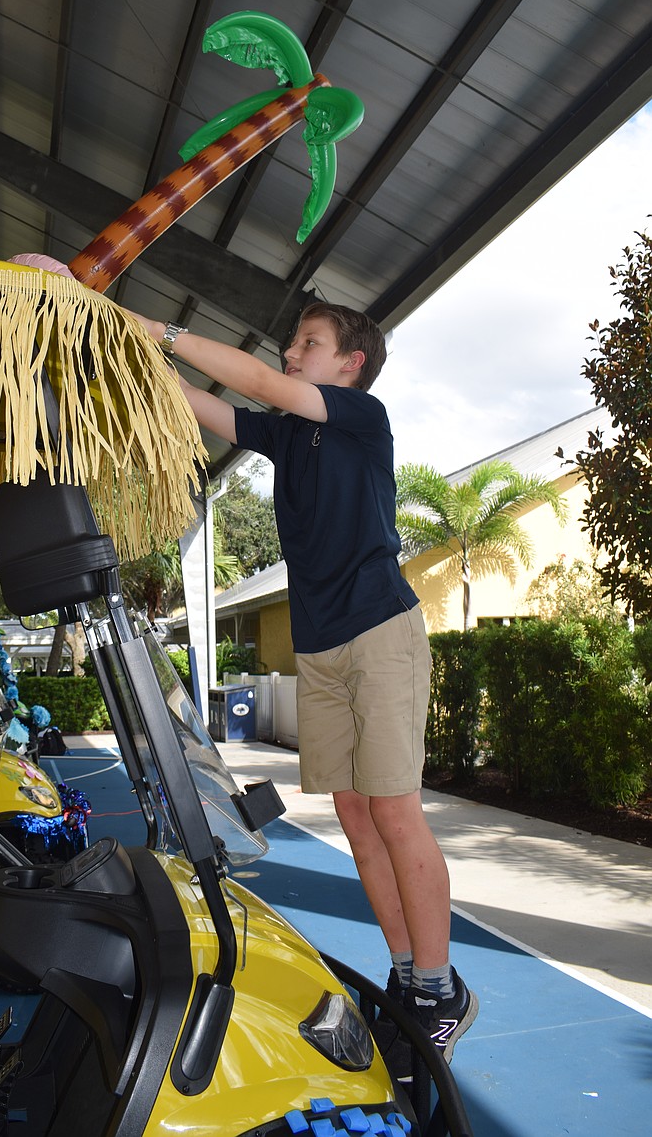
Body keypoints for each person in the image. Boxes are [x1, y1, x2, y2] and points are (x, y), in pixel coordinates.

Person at [126, 300, 478, 1074]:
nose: (290, 351)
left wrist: (159, 328)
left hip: (379, 631)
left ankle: (441, 986)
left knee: (393, 810)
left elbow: (249, 376)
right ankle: (405, 973)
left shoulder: (361, 415)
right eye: (291, 341)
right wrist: (107, 332)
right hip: (321, 648)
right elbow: (201, 401)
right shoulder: (288, 434)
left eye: (307, 343)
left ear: (350, 362)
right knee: (354, 815)